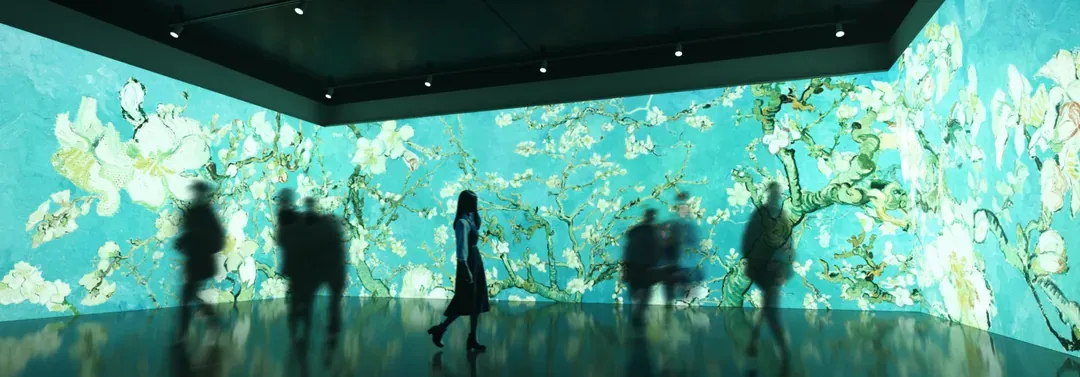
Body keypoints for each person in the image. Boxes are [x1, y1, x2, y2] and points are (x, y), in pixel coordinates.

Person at [427, 190, 490, 352]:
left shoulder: (470, 219)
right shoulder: (462, 223)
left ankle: (472, 338)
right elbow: (461, 249)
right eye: (473, 202)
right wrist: (466, 269)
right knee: (464, 301)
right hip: (468, 262)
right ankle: (441, 328)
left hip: (475, 260)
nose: (476, 205)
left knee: (475, 301)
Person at [741, 182, 793, 373]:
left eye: (777, 193)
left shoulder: (777, 215)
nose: (776, 196)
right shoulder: (766, 214)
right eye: (774, 192)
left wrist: (783, 269)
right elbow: (749, 240)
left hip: (771, 270)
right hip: (765, 268)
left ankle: (759, 344)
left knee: (768, 309)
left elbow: (787, 245)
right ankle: (781, 353)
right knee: (769, 309)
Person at [175, 181, 225, 338]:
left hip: (201, 262)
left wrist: (188, 243)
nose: (196, 195)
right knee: (190, 295)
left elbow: (214, 238)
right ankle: (212, 319)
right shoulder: (196, 212)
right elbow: (191, 234)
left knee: (187, 297)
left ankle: (183, 332)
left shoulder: (205, 213)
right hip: (196, 262)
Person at [659, 192, 702, 307]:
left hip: (686, 267)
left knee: (686, 299)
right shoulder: (672, 223)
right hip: (673, 266)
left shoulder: (691, 225)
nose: (682, 209)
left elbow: (695, 244)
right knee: (671, 298)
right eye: (680, 206)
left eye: (684, 206)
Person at [623, 208, 663, 328]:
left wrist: (626, 268)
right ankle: (638, 318)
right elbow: (657, 251)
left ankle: (635, 317)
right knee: (644, 295)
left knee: (635, 294)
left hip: (633, 267)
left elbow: (628, 250)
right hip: (646, 268)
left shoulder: (635, 231)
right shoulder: (654, 232)